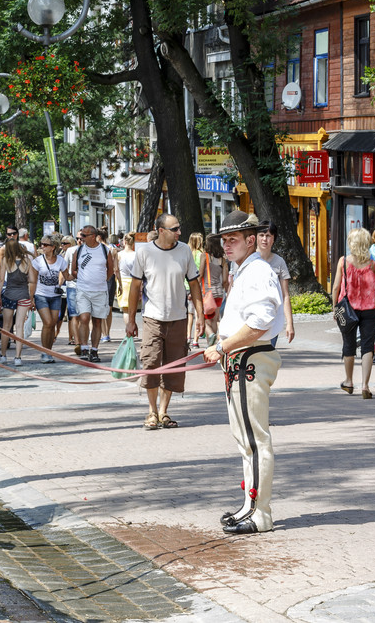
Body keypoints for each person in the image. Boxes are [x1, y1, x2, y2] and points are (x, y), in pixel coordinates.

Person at [202, 211, 284, 535]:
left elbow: (261, 322)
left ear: (251, 240)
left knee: (254, 439)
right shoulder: (245, 270)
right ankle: (251, 505)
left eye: (232, 239)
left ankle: (260, 513)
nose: (226, 245)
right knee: (246, 440)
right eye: (224, 240)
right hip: (241, 359)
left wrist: (222, 347)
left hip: (250, 359)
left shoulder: (258, 271)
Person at [127, 214, 203, 429]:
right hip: (152, 317)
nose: (179, 232)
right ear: (161, 230)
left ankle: (164, 412)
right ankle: (151, 412)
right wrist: (131, 320)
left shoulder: (184, 251)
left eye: (180, 228)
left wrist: (199, 315)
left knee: (173, 367)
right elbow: (135, 287)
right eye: (175, 229)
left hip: (178, 318)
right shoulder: (145, 252)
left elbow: (194, 284)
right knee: (151, 363)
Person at [332, 228, 375, 399]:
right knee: (368, 346)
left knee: (348, 345)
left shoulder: (343, 262)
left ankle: (349, 381)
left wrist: (335, 308)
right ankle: (365, 385)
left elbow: (335, 287)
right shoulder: (372, 265)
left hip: (349, 309)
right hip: (370, 309)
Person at [69, 225, 113, 363]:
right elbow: (73, 270)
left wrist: (101, 280)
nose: (80, 238)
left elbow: (111, 269)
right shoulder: (79, 250)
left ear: (93, 236)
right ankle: (83, 347)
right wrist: (84, 278)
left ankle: (94, 350)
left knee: (98, 321)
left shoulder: (105, 250)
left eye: (84, 235)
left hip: (100, 290)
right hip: (83, 290)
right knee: (84, 318)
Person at [0, 240, 34, 366]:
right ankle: (18, 357)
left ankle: (3, 355)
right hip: (23, 295)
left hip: (9, 294)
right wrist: (31, 297)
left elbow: (0, 281)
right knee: (19, 326)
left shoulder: (6, 260)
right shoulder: (27, 261)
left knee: (6, 326)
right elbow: (32, 280)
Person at [256, 223, 295, 346]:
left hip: (271, 319)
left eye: (268, 236)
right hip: (251, 318)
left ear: (273, 238)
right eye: (261, 235)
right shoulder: (247, 259)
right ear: (255, 237)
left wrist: (289, 323)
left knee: (267, 358)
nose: (264, 239)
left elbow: (285, 295)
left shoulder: (279, 262)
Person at [32, 236, 68, 363]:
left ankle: (49, 351)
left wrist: (77, 272)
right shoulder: (37, 261)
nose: (42, 246)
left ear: (53, 247)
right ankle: (44, 351)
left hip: (55, 296)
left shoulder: (61, 261)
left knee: (52, 324)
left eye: (45, 245)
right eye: (41, 244)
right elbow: (32, 281)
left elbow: (67, 276)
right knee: (47, 322)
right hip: (40, 295)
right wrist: (31, 298)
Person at [201, 233, 227, 343]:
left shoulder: (205, 256)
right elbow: (225, 280)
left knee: (207, 320)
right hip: (219, 293)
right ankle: (213, 344)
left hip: (207, 292)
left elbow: (201, 273)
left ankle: (210, 336)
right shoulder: (223, 259)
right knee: (215, 319)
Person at [187, 232, 206, 347]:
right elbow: (201, 273)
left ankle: (187, 335)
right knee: (197, 314)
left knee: (189, 314)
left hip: (185, 286)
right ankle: (195, 340)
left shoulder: (187, 253)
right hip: (196, 287)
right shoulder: (201, 254)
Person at [117, 232, 138, 315]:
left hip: (122, 282)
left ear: (124, 242)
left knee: (125, 310)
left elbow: (116, 270)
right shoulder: (136, 255)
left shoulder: (119, 255)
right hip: (134, 281)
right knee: (133, 309)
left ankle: (128, 326)